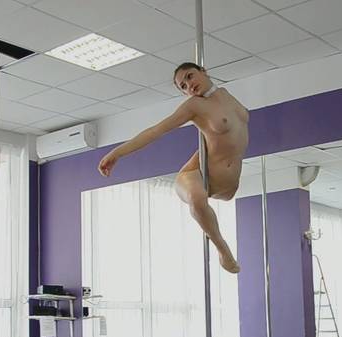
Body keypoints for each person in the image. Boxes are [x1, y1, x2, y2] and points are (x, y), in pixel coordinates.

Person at [98, 62, 249, 274]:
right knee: (197, 199)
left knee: (202, 198)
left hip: (227, 183)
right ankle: (222, 250)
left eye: (190, 76)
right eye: (183, 86)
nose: (189, 85)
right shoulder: (194, 106)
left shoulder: (226, 94)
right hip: (193, 175)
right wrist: (117, 153)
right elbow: (156, 131)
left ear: (203, 72)